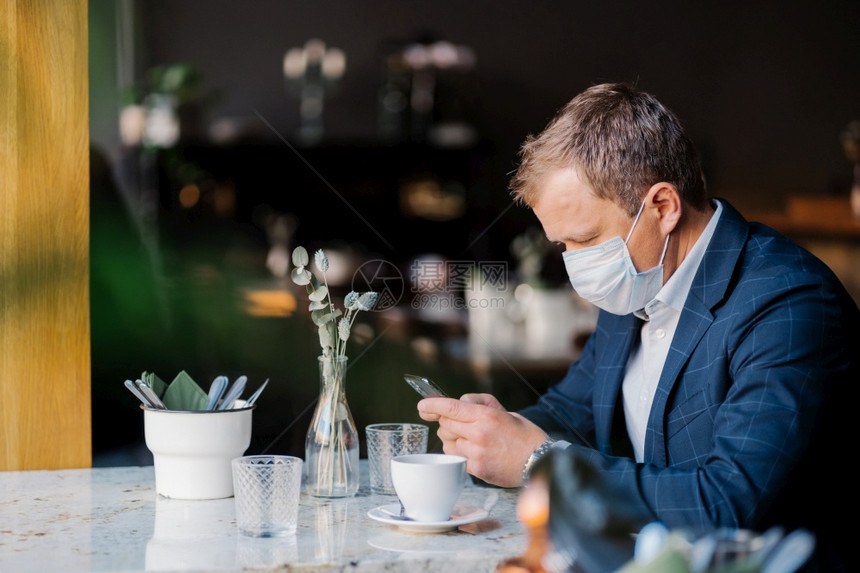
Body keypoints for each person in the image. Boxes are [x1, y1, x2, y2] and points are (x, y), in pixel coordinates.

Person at [417, 82, 857, 571]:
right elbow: (575, 411)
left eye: (585, 240)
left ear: (663, 207)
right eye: (562, 246)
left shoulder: (789, 304)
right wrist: (500, 431)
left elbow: (728, 504)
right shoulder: (637, 280)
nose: (576, 267)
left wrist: (538, 462)